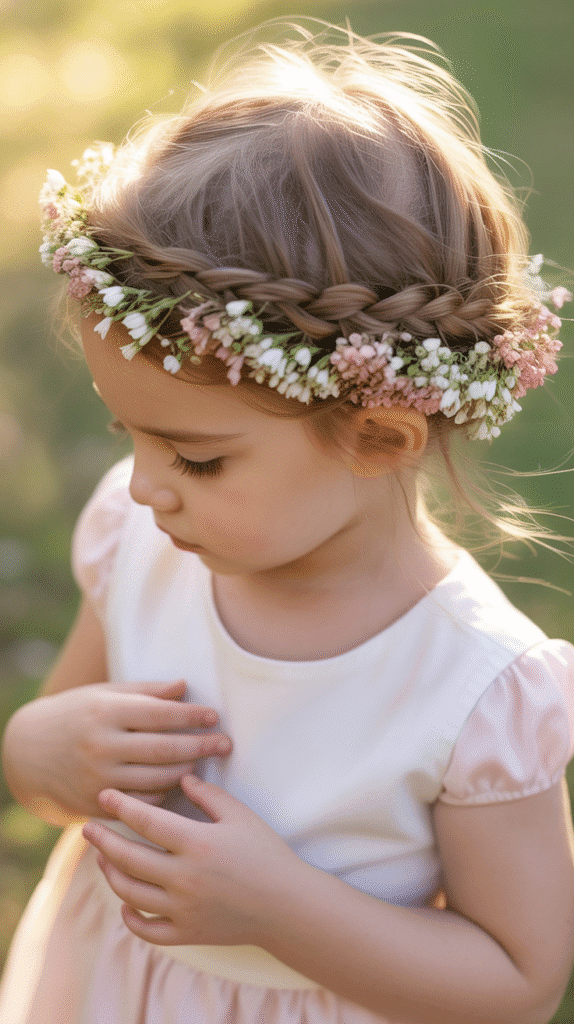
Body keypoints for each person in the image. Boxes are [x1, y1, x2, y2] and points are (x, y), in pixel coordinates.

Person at [2, 18, 574, 1024]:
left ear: (379, 437)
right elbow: (69, 775)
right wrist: (35, 750)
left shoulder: (473, 687)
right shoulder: (139, 545)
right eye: (128, 434)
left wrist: (279, 910)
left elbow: (519, 982)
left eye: (196, 458)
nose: (144, 487)